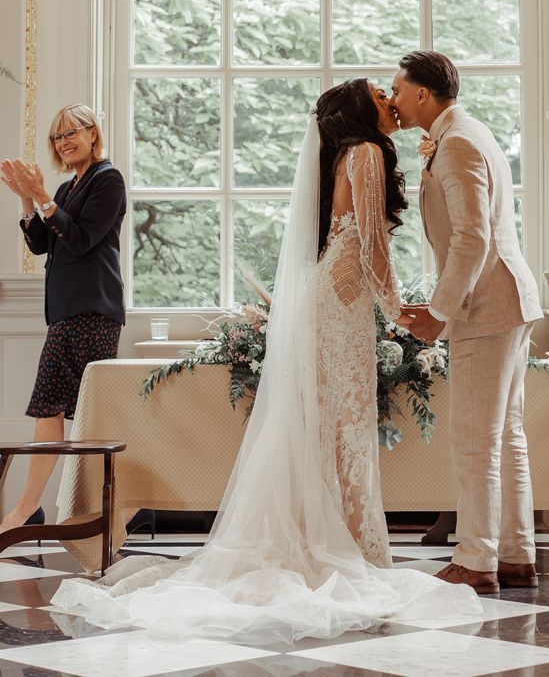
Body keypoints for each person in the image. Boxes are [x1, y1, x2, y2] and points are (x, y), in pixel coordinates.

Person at [51, 79, 480, 643]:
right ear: (361, 108)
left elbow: (352, 241)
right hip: (343, 309)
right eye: (380, 93)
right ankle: (350, 548)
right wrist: (400, 310)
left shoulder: (346, 153)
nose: (390, 99)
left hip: (331, 301)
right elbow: (373, 243)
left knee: (327, 426)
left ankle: (332, 540)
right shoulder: (370, 152)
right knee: (344, 426)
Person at [391, 51, 544, 593]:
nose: (393, 98)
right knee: (507, 435)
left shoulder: (455, 142)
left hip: (487, 306)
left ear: (423, 95)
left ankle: (477, 561)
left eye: (399, 90)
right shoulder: (469, 132)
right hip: (508, 299)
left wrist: (437, 312)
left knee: (475, 439)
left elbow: (472, 237)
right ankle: (516, 553)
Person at [0, 104, 125, 536]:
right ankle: (31, 508)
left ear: (94, 134)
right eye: (57, 136)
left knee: (86, 415)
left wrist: (45, 198)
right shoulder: (68, 186)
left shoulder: (107, 179)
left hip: (92, 311)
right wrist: (26, 197)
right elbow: (40, 244)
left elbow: (83, 239)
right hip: (67, 314)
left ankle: (114, 511)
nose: (63, 141)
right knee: (52, 407)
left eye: (72, 132)